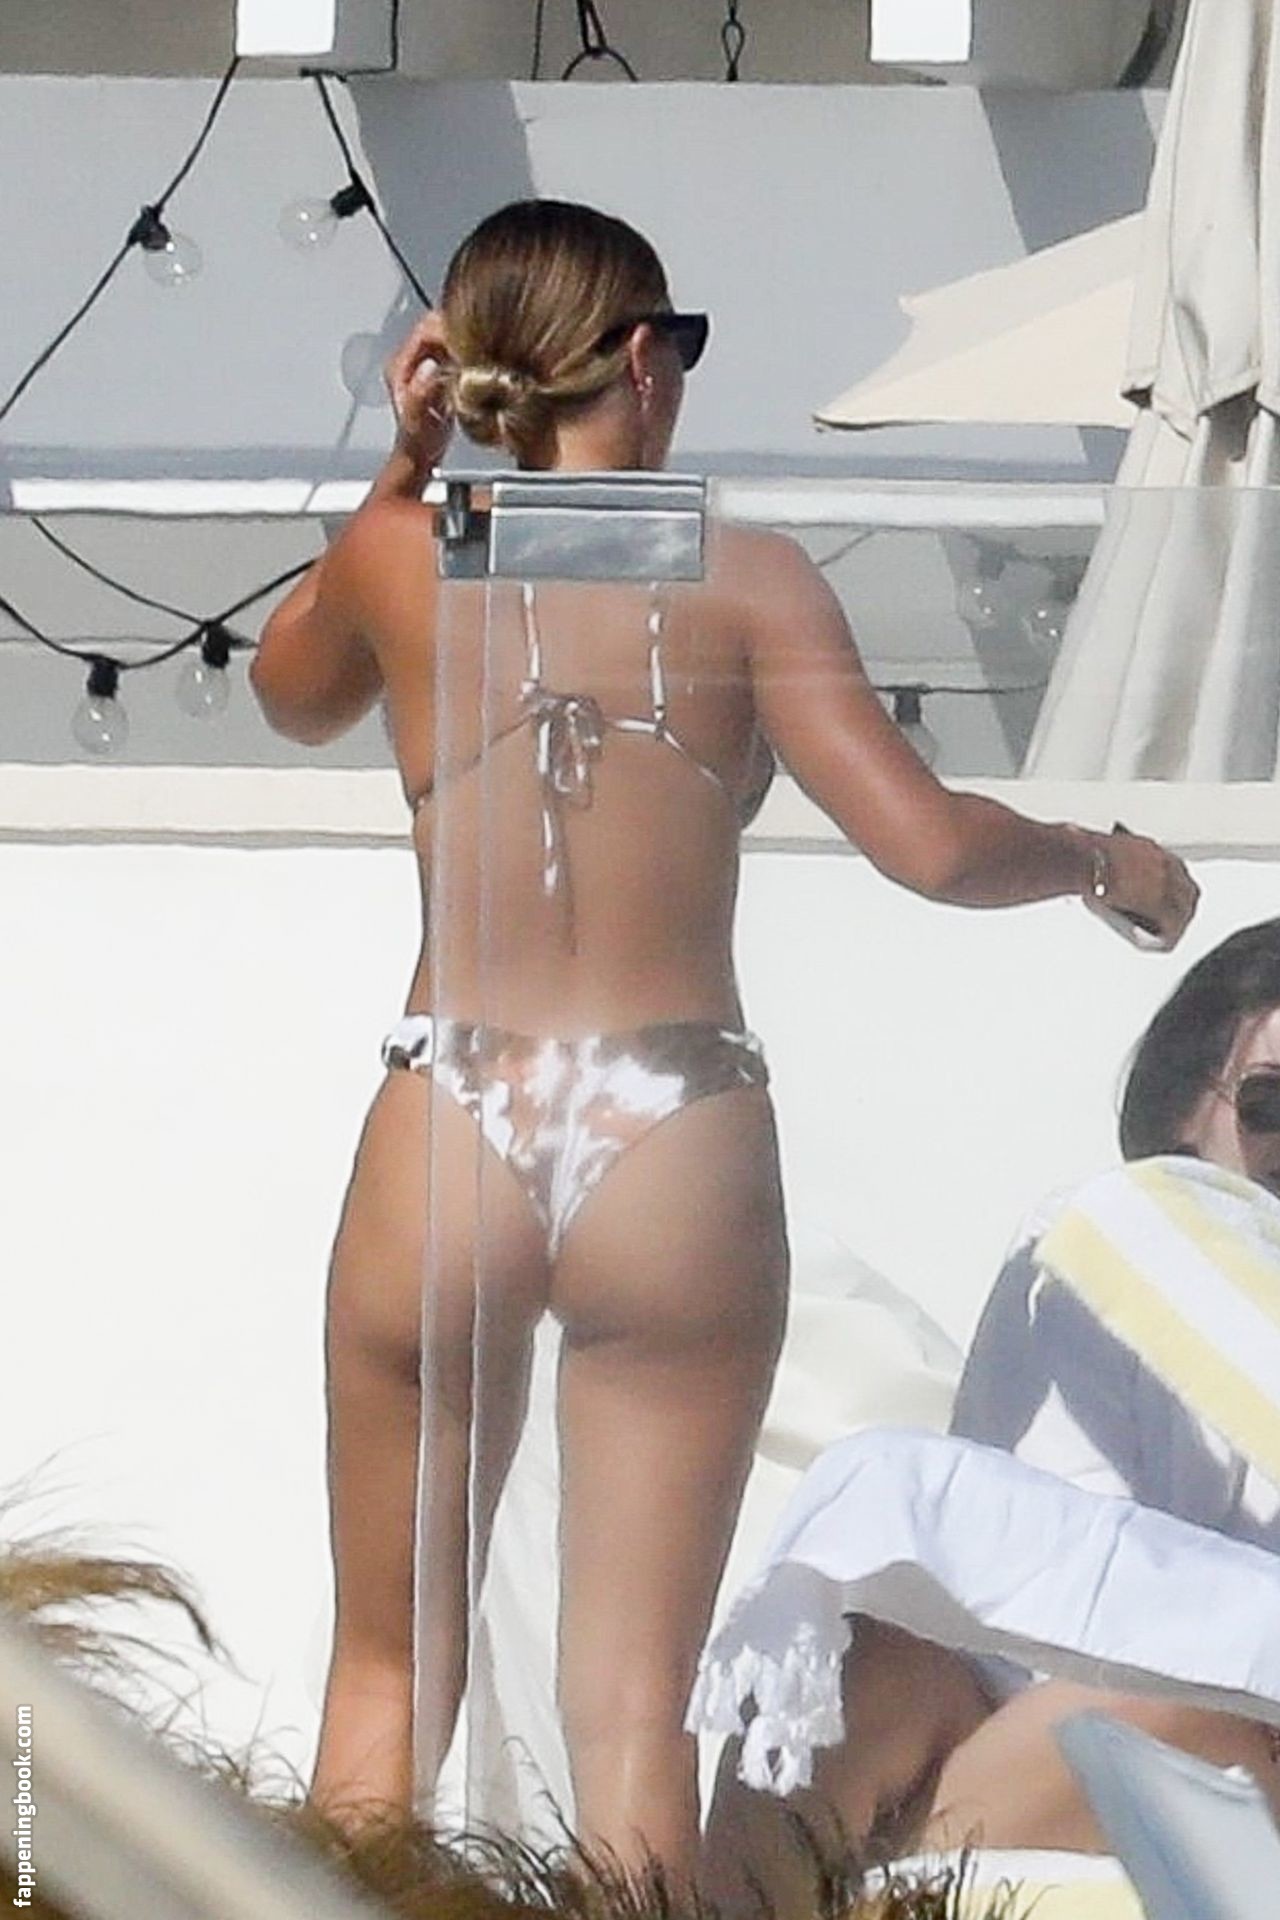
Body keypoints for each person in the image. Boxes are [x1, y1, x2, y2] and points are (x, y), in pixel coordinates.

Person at [249, 197, 1197, 1878]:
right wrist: (1101, 861)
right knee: (631, 1706)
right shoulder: (747, 580)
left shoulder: (406, 553)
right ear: (640, 361)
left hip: (455, 1098)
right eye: (677, 346)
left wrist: (405, 470)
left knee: (387, 1670)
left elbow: (292, 693)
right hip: (671, 1119)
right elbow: (928, 847)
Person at [701, 920, 1280, 1908]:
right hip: (1040, 1703)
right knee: (860, 1663)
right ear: (1186, 1109)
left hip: (1216, 1716)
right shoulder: (1114, 1234)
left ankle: (850, 1894)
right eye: (1272, 1104)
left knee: (1187, 1707)